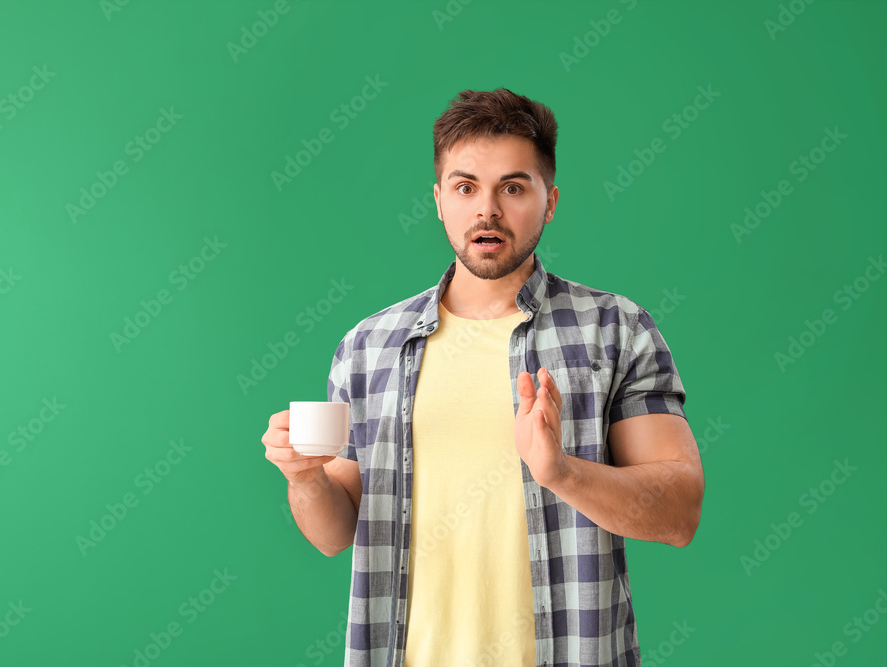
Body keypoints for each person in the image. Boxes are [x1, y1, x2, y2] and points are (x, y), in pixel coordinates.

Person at [261, 87, 705, 667]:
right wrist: (304, 479)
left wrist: (561, 472)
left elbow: (679, 514)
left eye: (513, 188)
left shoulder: (615, 330)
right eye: (466, 186)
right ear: (439, 200)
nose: (486, 211)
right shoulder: (368, 347)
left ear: (549, 202)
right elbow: (334, 532)